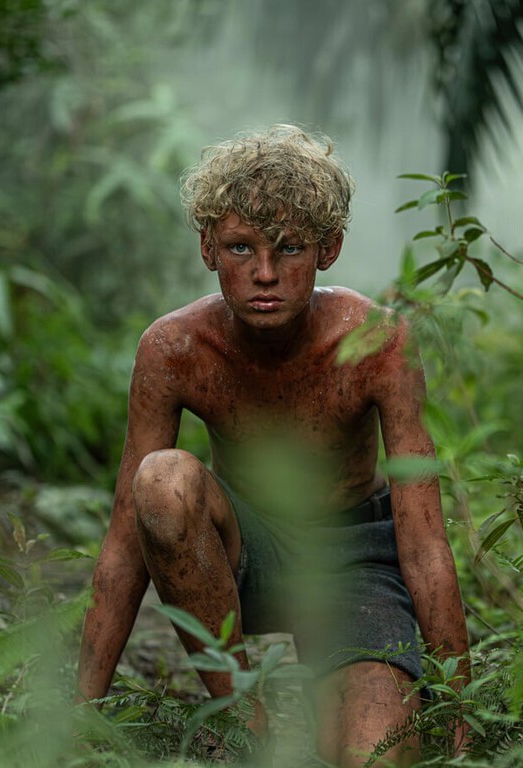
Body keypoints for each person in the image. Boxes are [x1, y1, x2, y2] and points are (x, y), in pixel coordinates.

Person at [77, 125, 470, 766]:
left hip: (354, 563)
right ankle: (243, 723)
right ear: (208, 249)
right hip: (244, 554)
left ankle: (338, 686)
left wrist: (461, 713)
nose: (265, 274)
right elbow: (129, 531)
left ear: (329, 249)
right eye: (240, 248)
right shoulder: (174, 349)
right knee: (161, 481)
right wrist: (78, 710)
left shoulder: (378, 343)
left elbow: (424, 538)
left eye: (290, 250)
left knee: (376, 755)